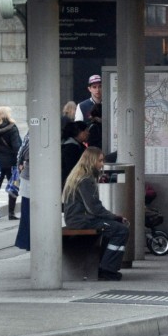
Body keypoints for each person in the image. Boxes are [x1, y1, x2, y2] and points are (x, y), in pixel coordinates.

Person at [62, 146, 129, 281]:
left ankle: (105, 265)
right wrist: (115, 217)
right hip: (82, 220)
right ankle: (107, 269)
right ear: (91, 161)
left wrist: (113, 218)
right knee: (121, 230)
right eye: (100, 161)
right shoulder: (85, 179)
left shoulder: (79, 176)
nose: (102, 164)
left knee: (114, 227)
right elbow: (94, 208)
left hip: (78, 219)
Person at [0, 105, 23, 220]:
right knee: (13, 187)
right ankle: (11, 213)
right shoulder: (12, 128)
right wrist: (20, 160)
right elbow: (16, 146)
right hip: (12, 162)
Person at [14, 133, 31, 251]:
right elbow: (24, 152)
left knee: (27, 212)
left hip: (28, 177)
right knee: (28, 212)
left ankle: (27, 242)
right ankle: (28, 242)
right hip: (30, 179)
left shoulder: (29, 135)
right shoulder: (33, 135)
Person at [61, 120, 91, 186]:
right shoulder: (71, 148)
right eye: (86, 130)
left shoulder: (76, 146)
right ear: (80, 132)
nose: (88, 133)